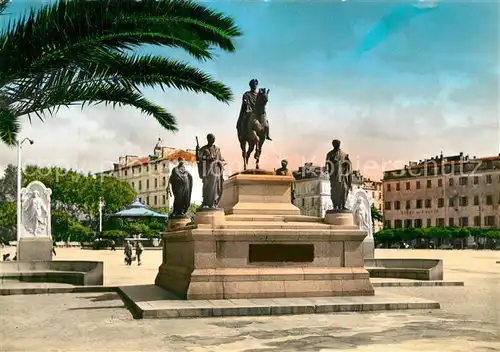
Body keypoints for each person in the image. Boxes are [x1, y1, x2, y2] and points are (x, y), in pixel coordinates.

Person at [196, 133, 225, 208]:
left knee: (215, 187)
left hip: (216, 171)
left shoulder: (217, 149)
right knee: (207, 186)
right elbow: (199, 159)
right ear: (208, 139)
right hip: (207, 170)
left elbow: (221, 159)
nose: (213, 140)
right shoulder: (203, 149)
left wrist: (221, 163)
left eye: (214, 139)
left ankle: (214, 203)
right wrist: (197, 152)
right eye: (212, 139)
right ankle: (206, 202)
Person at [325, 139, 352, 210]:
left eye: (338, 144)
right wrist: (327, 171)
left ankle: (342, 205)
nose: (337, 145)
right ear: (333, 145)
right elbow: (327, 164)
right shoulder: (330, 154)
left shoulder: (344, 154)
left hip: (343, 176)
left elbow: (349, 165)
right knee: (335, 191)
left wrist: (347, 173)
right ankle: (335, 205)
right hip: (334, 176)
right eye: (335, 144)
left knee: (344, 190)